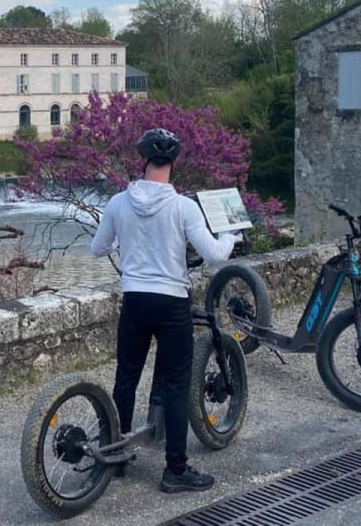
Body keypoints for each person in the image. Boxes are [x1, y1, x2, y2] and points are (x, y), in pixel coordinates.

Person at [90, 128, 236, 494]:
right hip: (171, 303)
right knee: (176, 384)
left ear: (143, 161)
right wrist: (230, 236)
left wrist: (125, 245)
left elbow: (97, 248)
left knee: (126, 378)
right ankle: (175, 470)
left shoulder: (118, 203)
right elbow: (215, 255)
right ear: (173, 163)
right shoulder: (184, 207)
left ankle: (117, 457)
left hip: (135, 299)